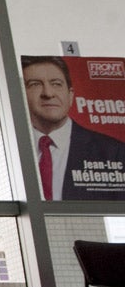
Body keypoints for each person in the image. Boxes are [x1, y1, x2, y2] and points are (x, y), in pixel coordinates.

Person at [22, 55, 125, 201]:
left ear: (70, 95)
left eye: (56, 84)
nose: (48, 93)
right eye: (35, 84)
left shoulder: (115, 152)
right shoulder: (14, 151)